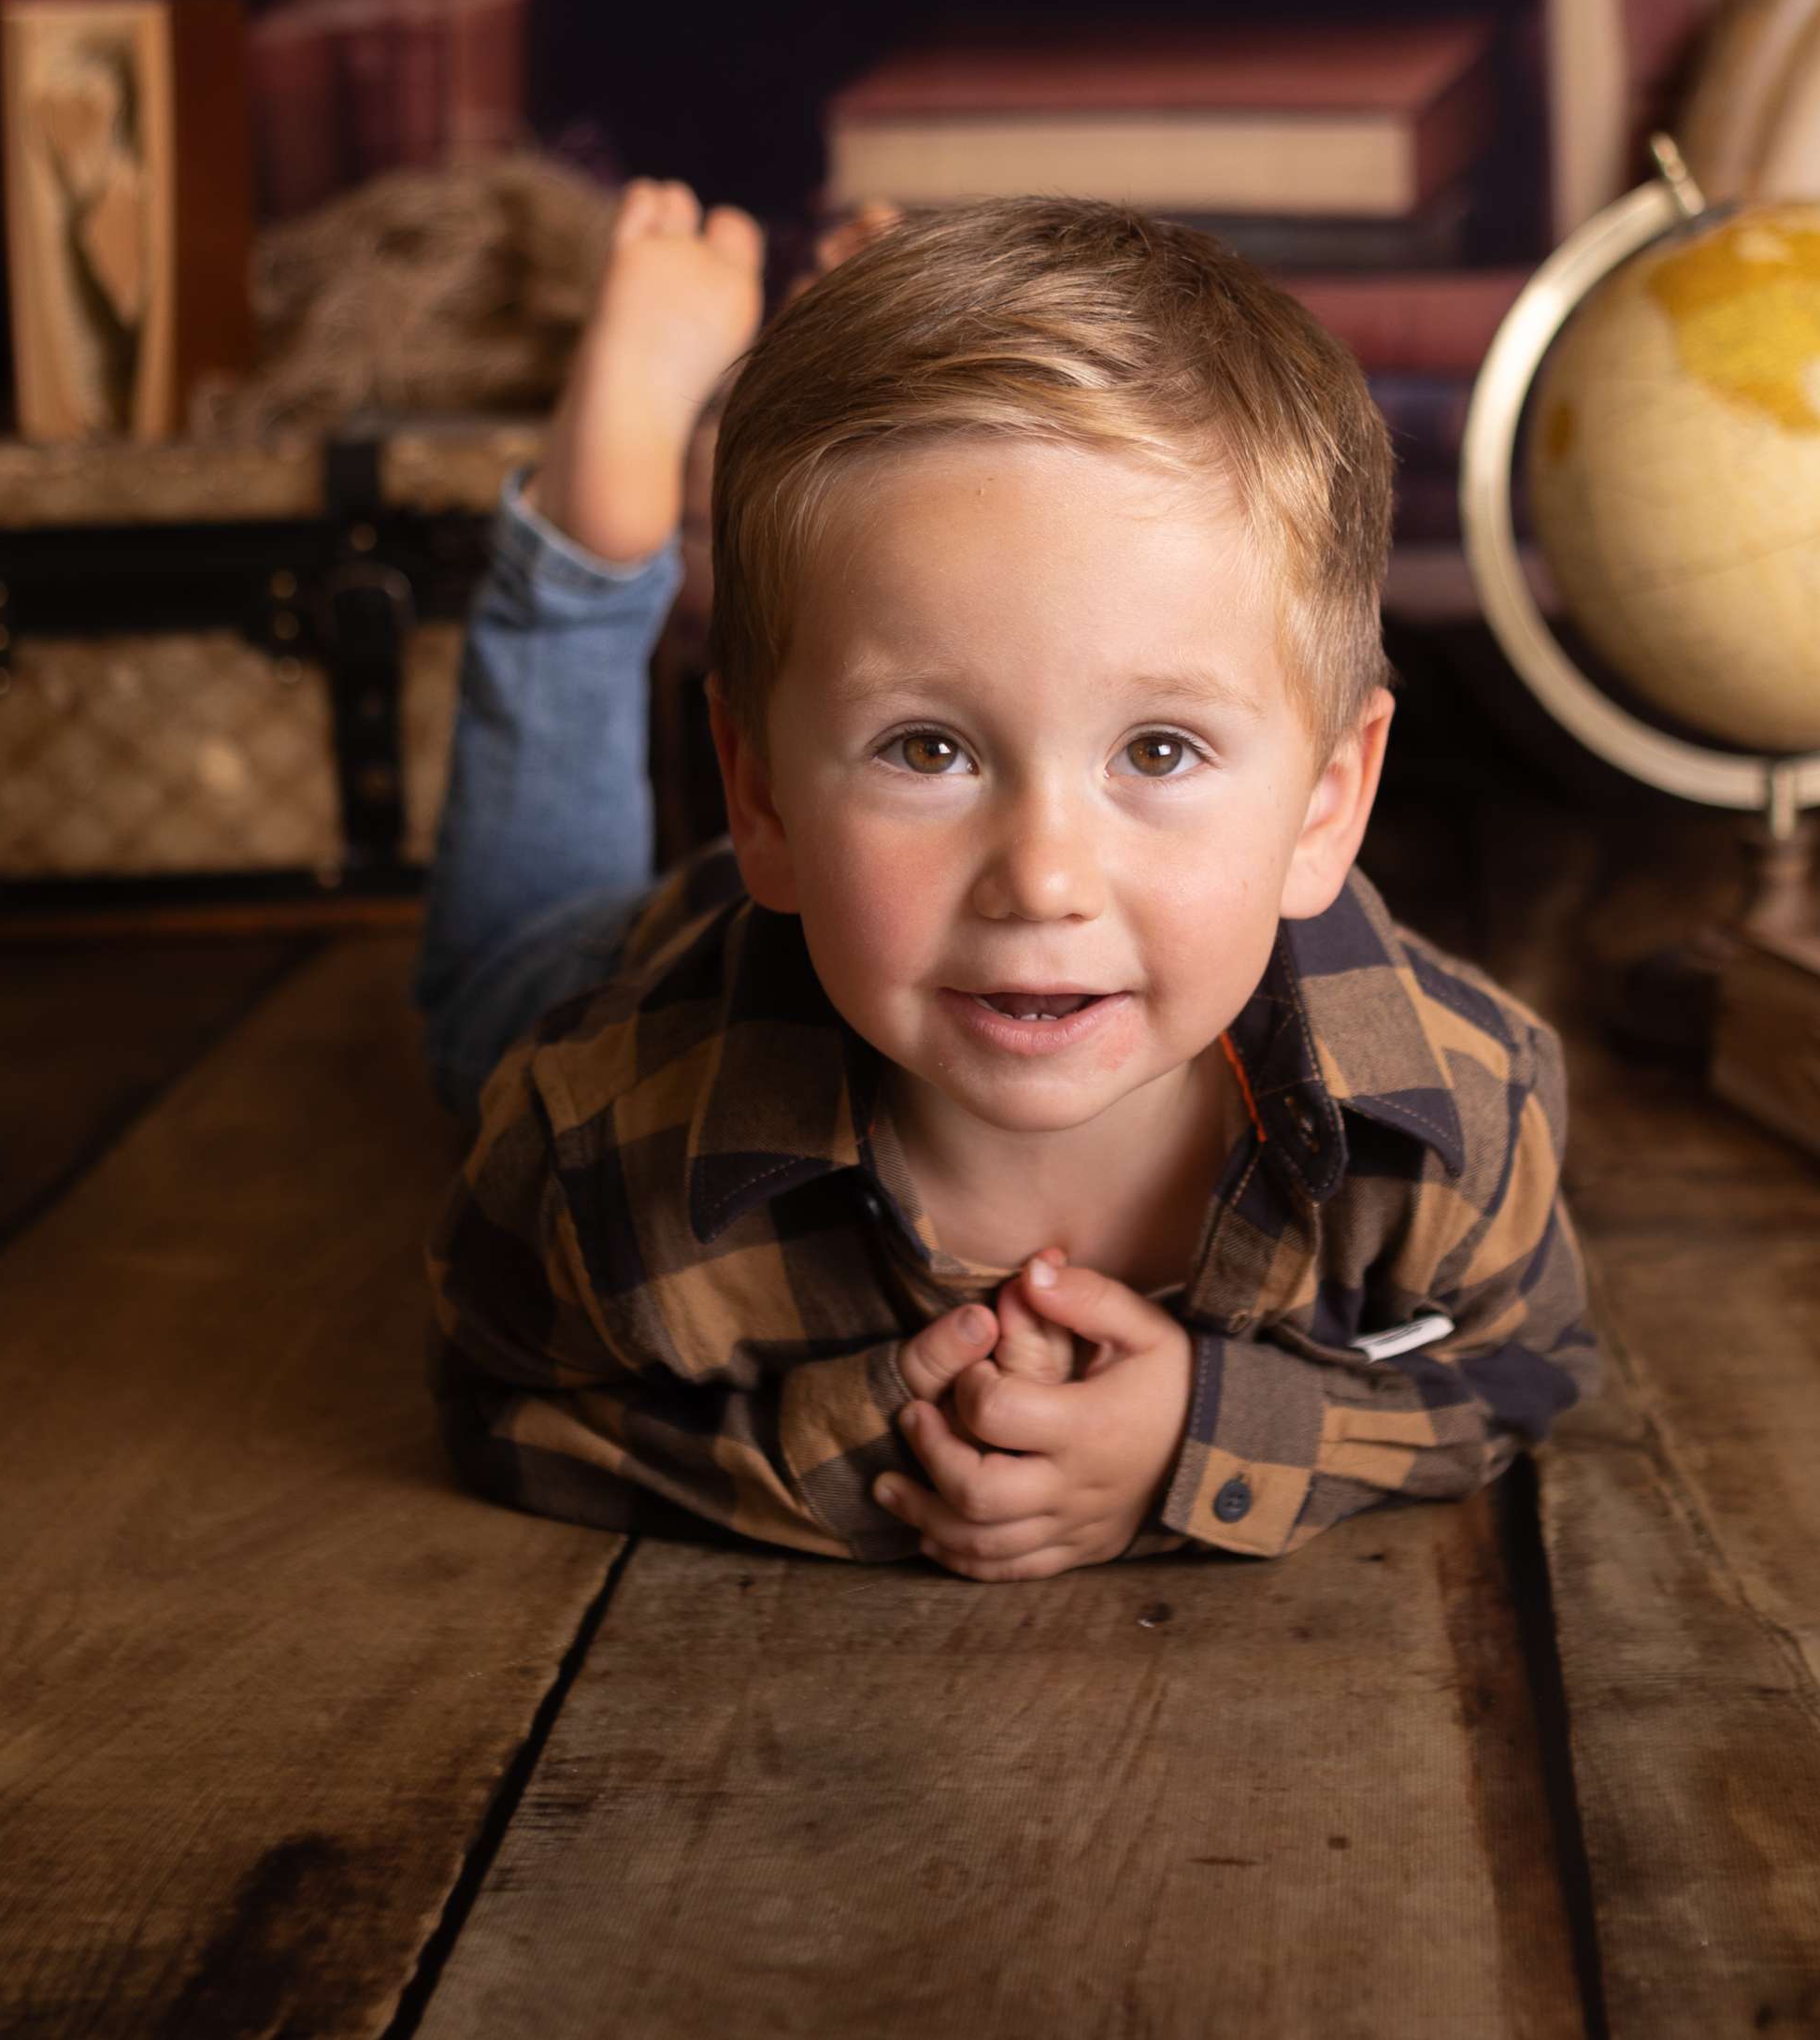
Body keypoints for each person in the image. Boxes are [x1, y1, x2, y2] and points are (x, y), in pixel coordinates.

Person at [416, 180, 1599, 1580]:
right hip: (662, 954)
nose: (1043, 879)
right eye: (930, 746)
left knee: (861, 600)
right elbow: (501, 1393)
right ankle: (594, 547)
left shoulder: (1455, 1122)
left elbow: (1524, 1370)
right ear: (760, 793)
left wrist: (1205, 1440)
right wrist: (861, 1457)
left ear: (1325, 802)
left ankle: (850, 399)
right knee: (498, 989)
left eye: (1158, 747)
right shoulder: (602, 1146)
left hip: (851, 901)